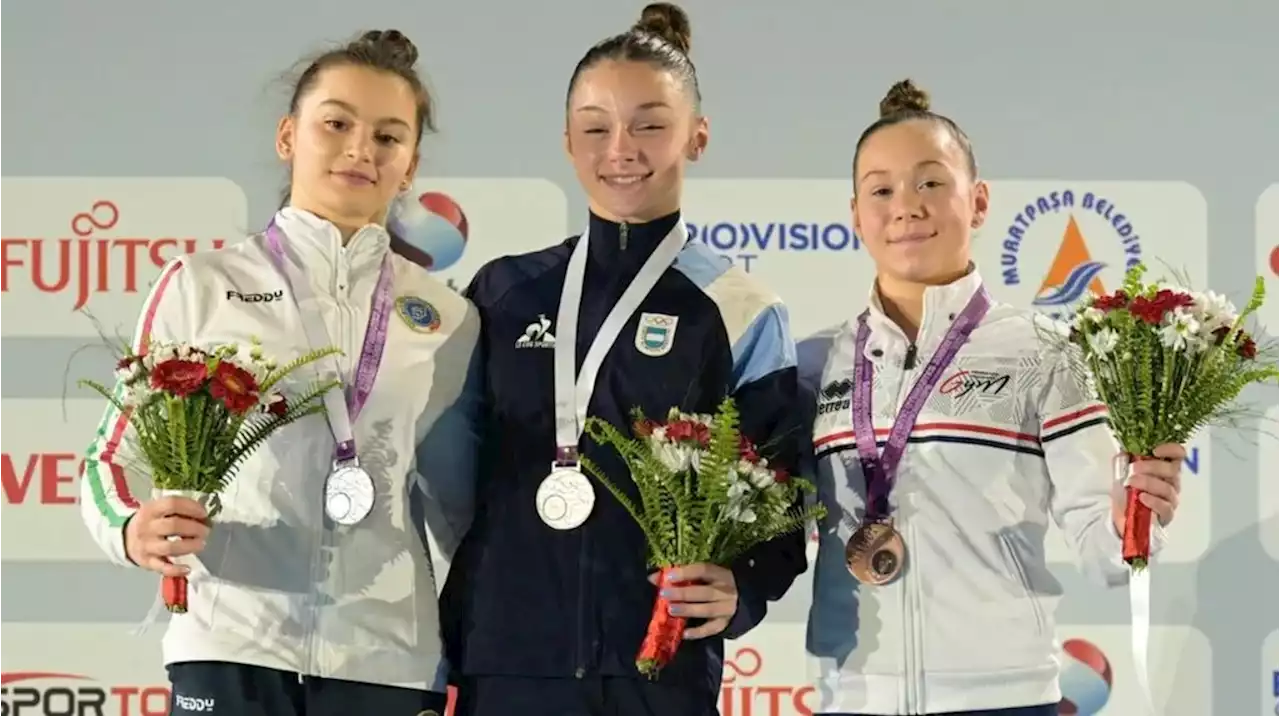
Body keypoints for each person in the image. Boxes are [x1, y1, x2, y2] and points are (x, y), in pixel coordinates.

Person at [79, 29, 479, 716]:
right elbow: (111, 455)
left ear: (410, 166)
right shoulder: (200, 285)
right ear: (289, 136)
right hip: (231, 640)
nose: (360, 149)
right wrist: (128, 527)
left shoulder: (447, 316)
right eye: (337, 124)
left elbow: (463, 509)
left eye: (388, 137)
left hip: (384, 654)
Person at [438, 4, 808, 715]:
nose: (621, 149)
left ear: (697, 137)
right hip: (504, 667)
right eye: (595, 126)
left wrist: (746, 590)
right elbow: (452, 483)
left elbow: (782, 492)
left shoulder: (740, 308)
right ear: (567, 141)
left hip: (659, 668)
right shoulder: (505, 292)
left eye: (650, 124)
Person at [798, 79, 1186, 716]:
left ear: (977, 202)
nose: (906, 206)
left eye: (931, 183)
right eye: (882, 189)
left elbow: (1108, 557)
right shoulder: (816, 363)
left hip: (1005, 698)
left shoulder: (1045, 351)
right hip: (852, 696)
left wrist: (1135, 518)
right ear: (855, 215)